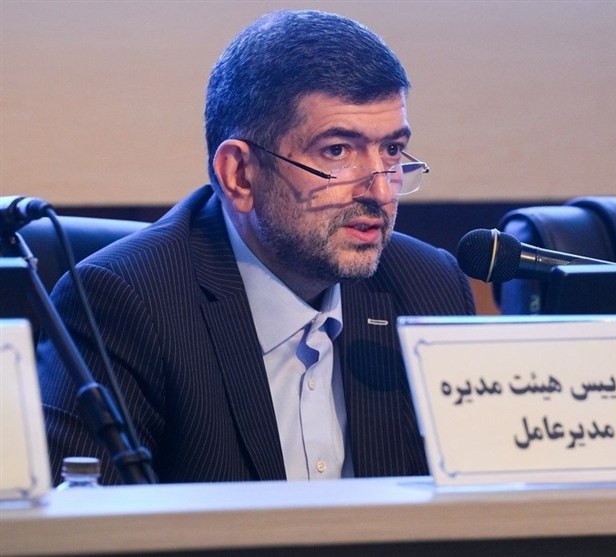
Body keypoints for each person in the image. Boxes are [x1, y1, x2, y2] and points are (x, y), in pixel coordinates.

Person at [37, 10, 475, 484]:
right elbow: (88, 515)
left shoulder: (429, 287)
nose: (381, 191)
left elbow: (479, 499)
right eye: (337, 151)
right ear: (240, 175)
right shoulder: (124, 304)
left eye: (391, 150)